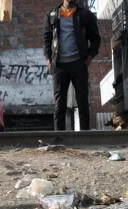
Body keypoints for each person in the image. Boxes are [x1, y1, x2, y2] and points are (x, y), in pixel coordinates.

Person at [43, 0, 101, 132]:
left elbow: (95, 38)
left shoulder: (86, 15)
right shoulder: (52, 15)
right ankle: (59, 139)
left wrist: (89, 57)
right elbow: (46, 39)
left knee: (83, 103)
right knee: (59, 106)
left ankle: (85, 139)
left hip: (79, 64)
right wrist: (48, 59)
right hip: (59, 65)